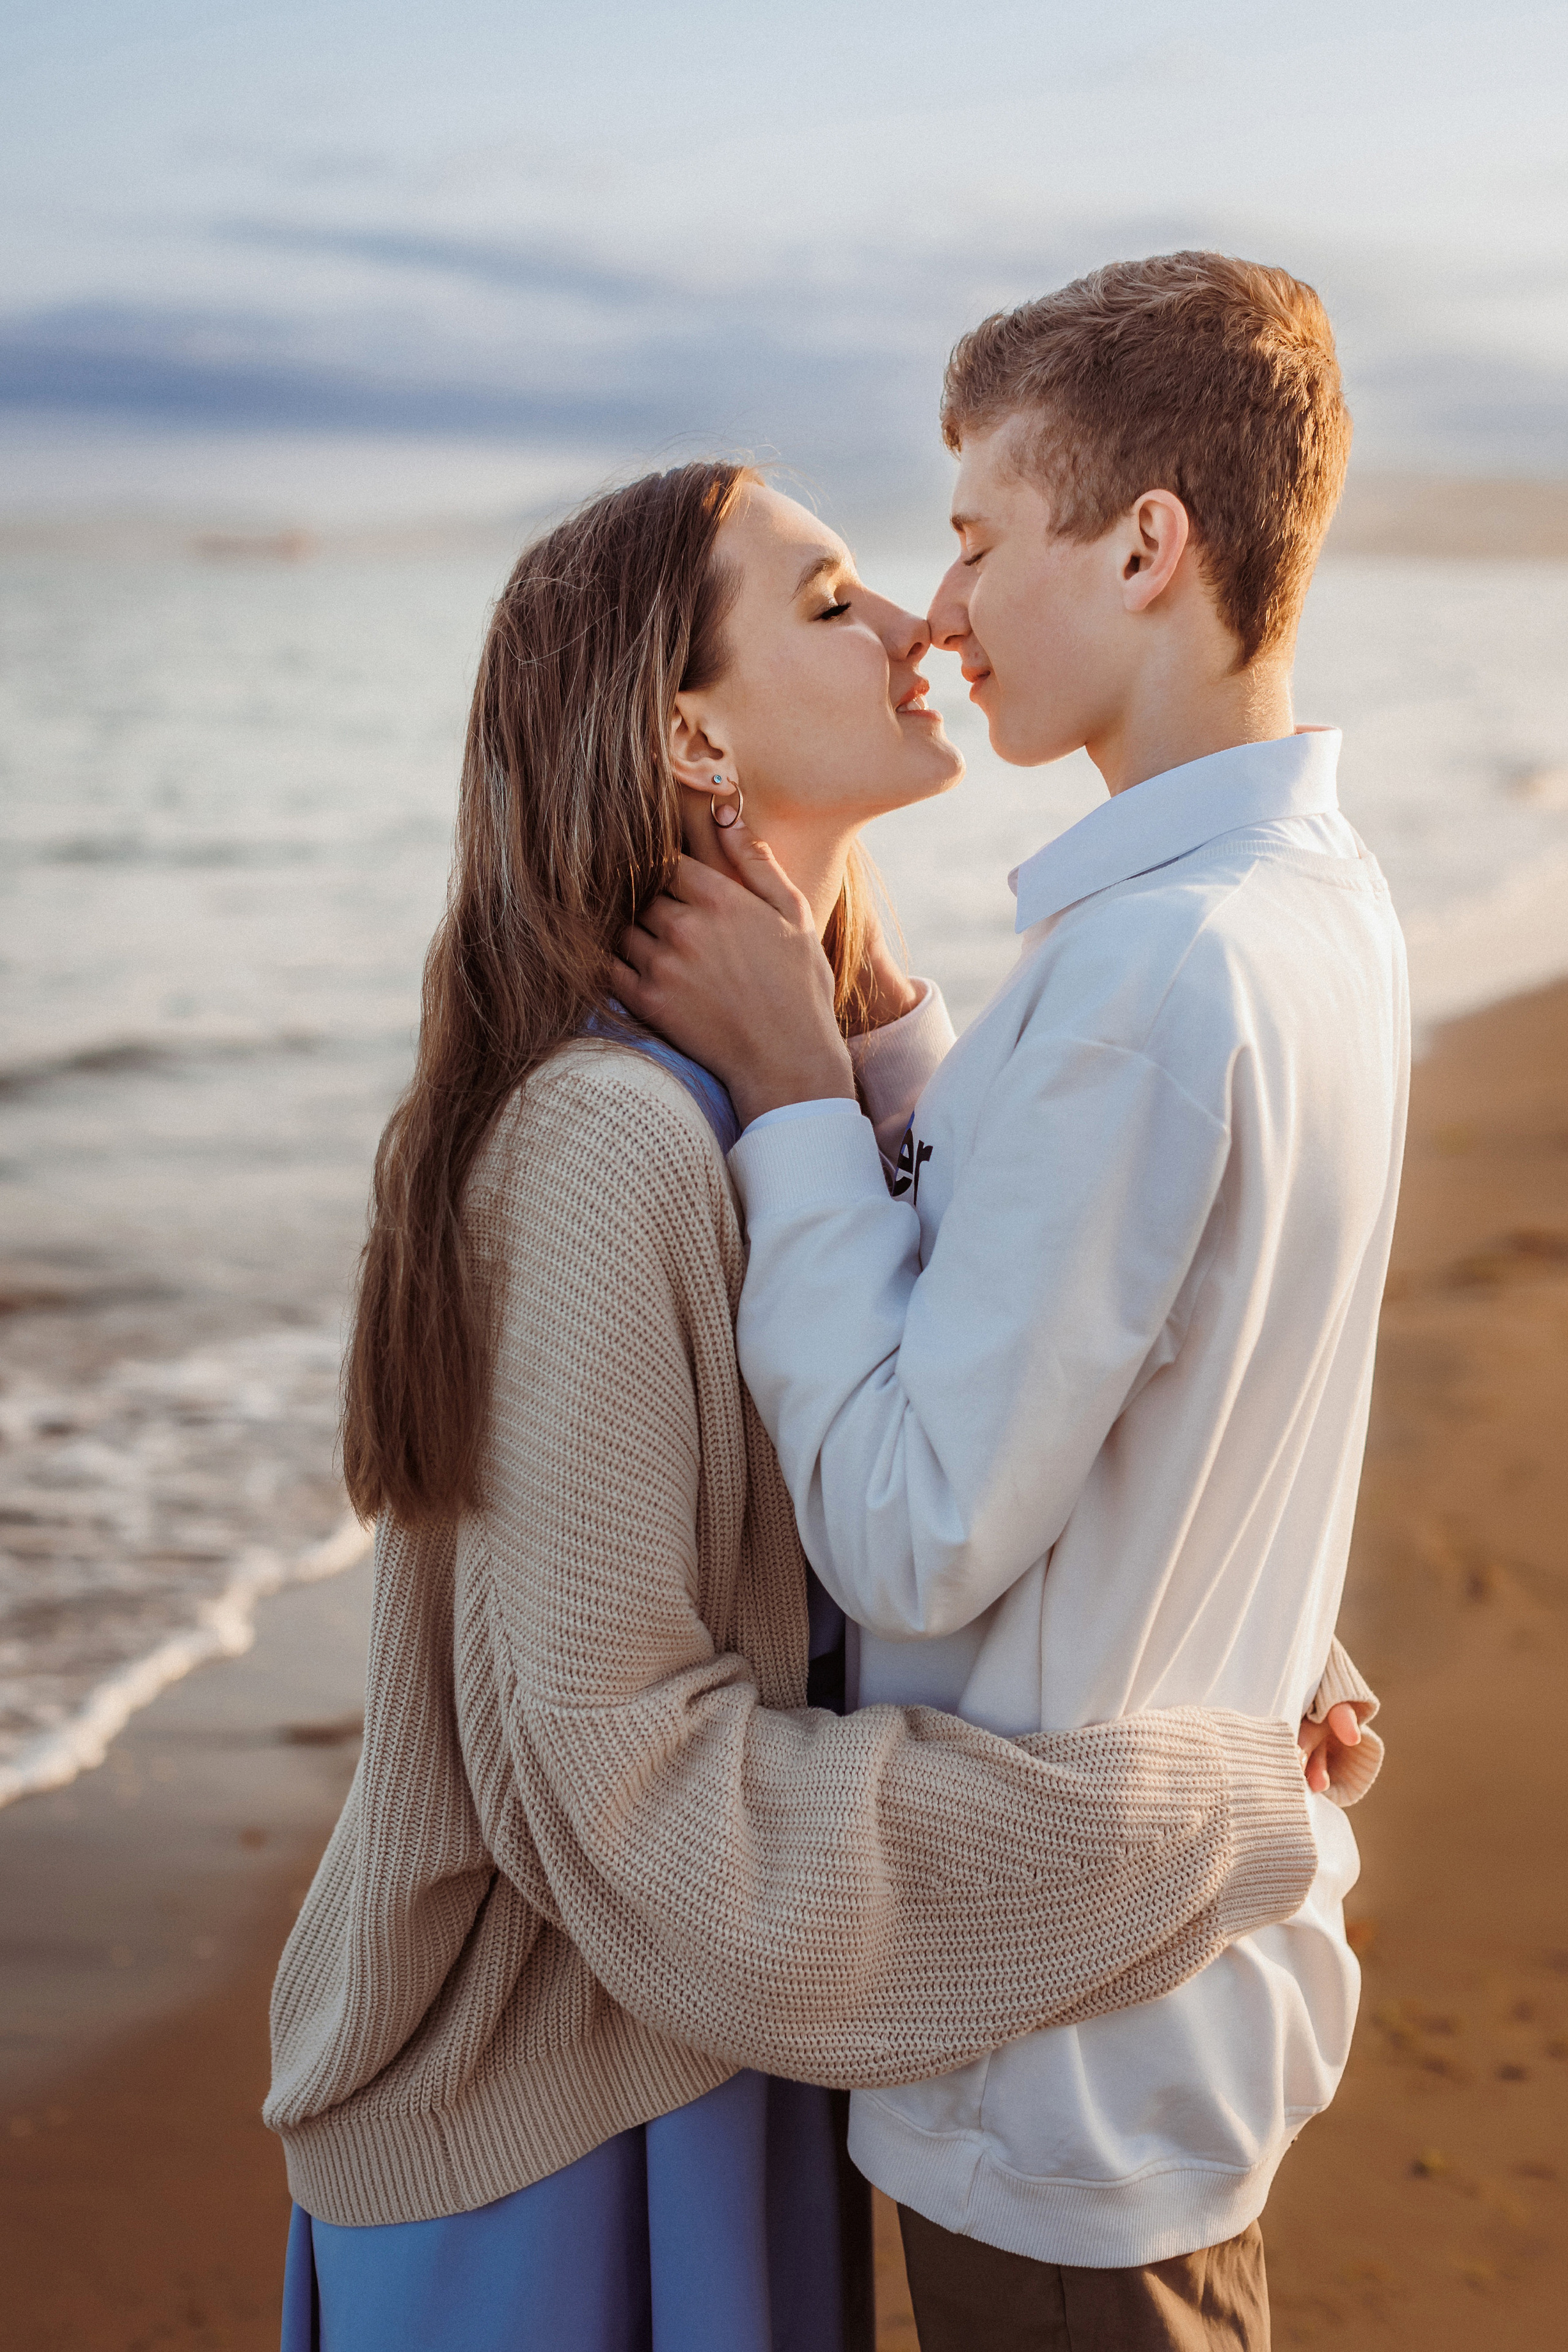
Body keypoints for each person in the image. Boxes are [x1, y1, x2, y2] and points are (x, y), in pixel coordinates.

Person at [265, 455, 1371, 2352]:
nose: (922, 624)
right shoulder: (610, 1147)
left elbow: (978, 1410)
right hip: (558, 2130)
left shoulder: (817, 1104)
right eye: (833, 598)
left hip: (746, 2045)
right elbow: (639, 1801)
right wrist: (1202, 1810)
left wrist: (1255, 1637)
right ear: (693, 734)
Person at [616, 254, 1400, 2350]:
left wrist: (797, 1101)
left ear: (1147, 547)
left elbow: (909, 1526)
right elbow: (1154, 1322)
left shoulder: (1148, 981)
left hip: (1057, 2064)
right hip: (1175, 1989)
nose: (941, 613)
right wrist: (889, 1052)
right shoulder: (1312, 902)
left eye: (976, 539)